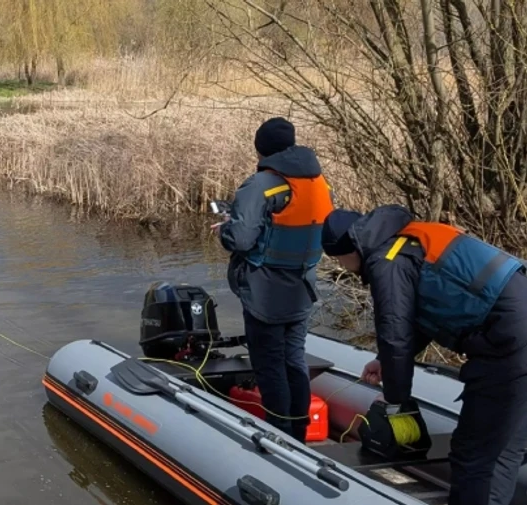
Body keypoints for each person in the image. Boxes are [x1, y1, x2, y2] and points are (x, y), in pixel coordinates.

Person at [320, 203, 527, 505]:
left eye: (338, 258)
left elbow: (394, 335)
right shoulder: (406, 241)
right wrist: (383, 361)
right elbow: (427, 314)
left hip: (508, 343)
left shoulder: (386, 262)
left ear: (349, 250)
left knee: (474, 455)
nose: (341, 266)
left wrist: (395, 401)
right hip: (514, 329)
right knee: (506, 449)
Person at [212, 117, 334, 442]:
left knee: (269, 365)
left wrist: (226, 227)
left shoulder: (260, 184)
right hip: (303, 289)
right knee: (294, 360)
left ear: (261, 148)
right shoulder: (317, 181)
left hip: (265, 292)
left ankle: (280, 435)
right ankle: (299, 430)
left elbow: (239, 240)